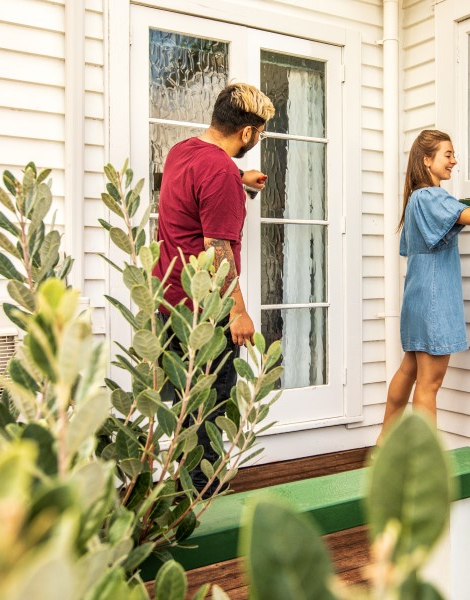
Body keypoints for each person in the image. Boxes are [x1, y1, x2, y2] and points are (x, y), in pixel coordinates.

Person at [152, 82, 275, 495]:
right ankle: (201, 498)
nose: (256, 140)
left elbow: (204, 179)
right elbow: (217, 248)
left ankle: (181, 490)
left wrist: (242, 177)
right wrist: (238, 312)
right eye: (259, 134)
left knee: (185, 407)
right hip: (206, 312)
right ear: (247, 132)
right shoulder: (220, 171)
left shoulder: (182, 151)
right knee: (208, 410)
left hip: (170, 303)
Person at [377, 130, 470, 442]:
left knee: (409, 370)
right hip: (435, 299)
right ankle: (425, 459)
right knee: (429, 383)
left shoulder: (414, 200)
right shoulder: (431, 197)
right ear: (426, 160)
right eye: (447, 155)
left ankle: (384, 443)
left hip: (417, 296)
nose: (454, 161)